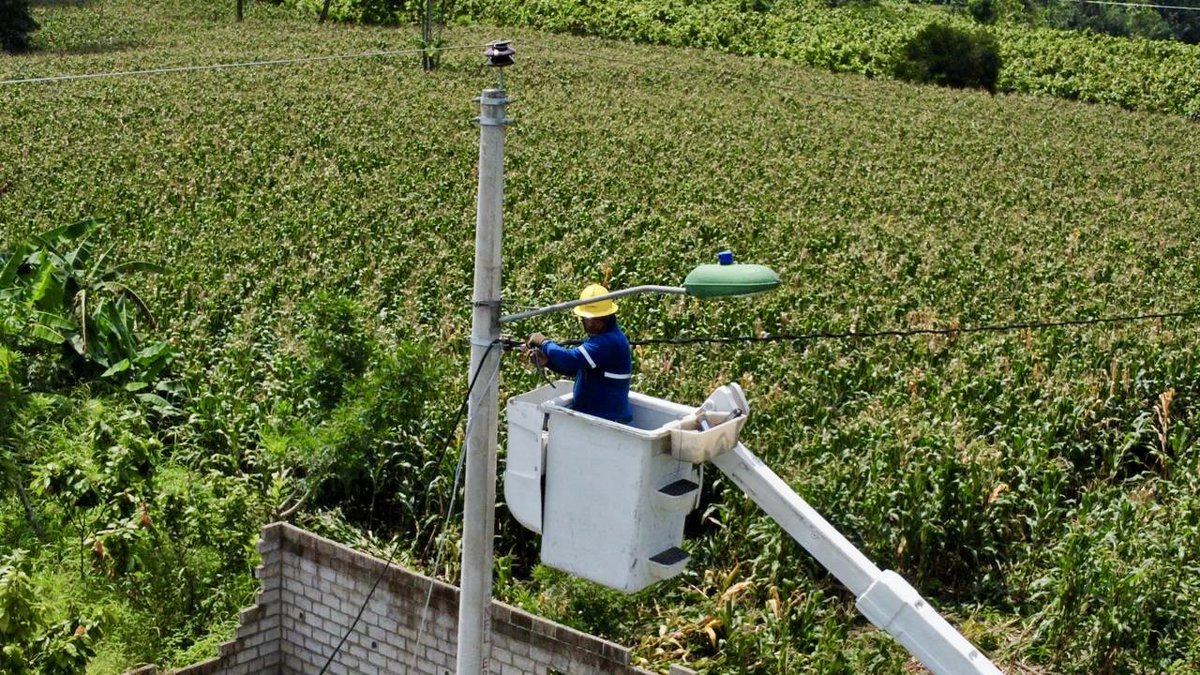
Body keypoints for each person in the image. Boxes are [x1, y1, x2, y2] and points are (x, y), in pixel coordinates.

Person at [527, 284, 634, 424]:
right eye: (590, 319)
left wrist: (544, 342)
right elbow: (576, 368)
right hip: (596, 419)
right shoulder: (598, 338)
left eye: (598, 319)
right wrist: (547, 362)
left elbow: (570, 360)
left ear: (608, 316)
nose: (593, 324)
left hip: (608, 422)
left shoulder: (609, 341)